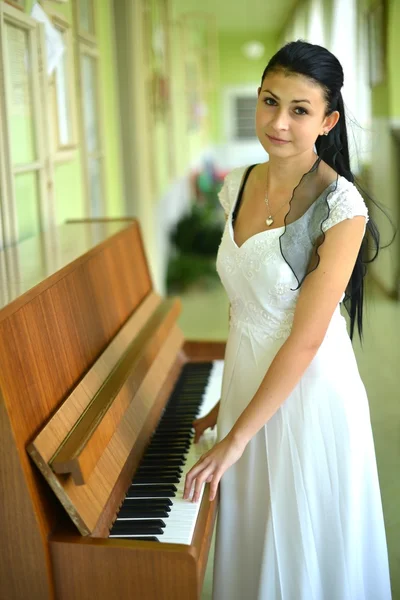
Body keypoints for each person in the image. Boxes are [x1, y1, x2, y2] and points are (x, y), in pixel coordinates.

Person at [183, 40, 392, 599]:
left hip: (309, 396)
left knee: (301, 555)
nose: (278, 122)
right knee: (254, 547)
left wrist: (235, 440)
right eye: (270, 101)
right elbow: (245, 306)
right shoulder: (238, 184)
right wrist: (227, 406)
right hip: (248, 383)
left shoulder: (342, 207)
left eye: (300, 110)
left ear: (328, 120)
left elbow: (304, 341)